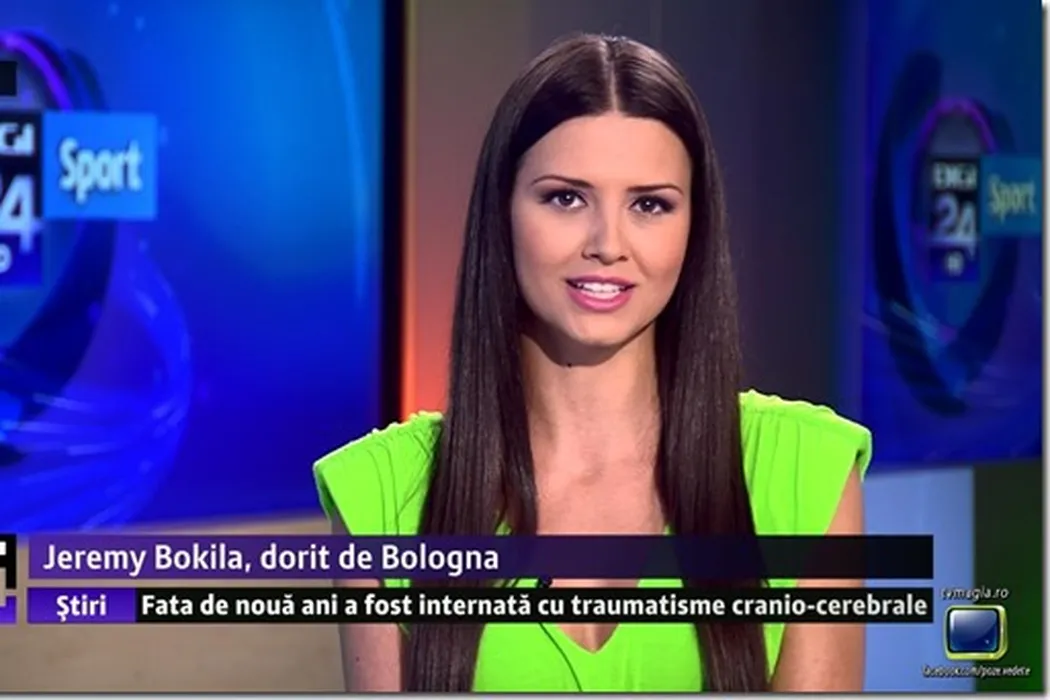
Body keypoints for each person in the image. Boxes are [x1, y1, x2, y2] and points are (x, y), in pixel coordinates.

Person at [314, 33, 872, 693]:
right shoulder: (383, 494)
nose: (608, 244)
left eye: (649, 204)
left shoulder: (807, 473)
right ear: (502, 212)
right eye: (566, 198)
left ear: (694, 228)